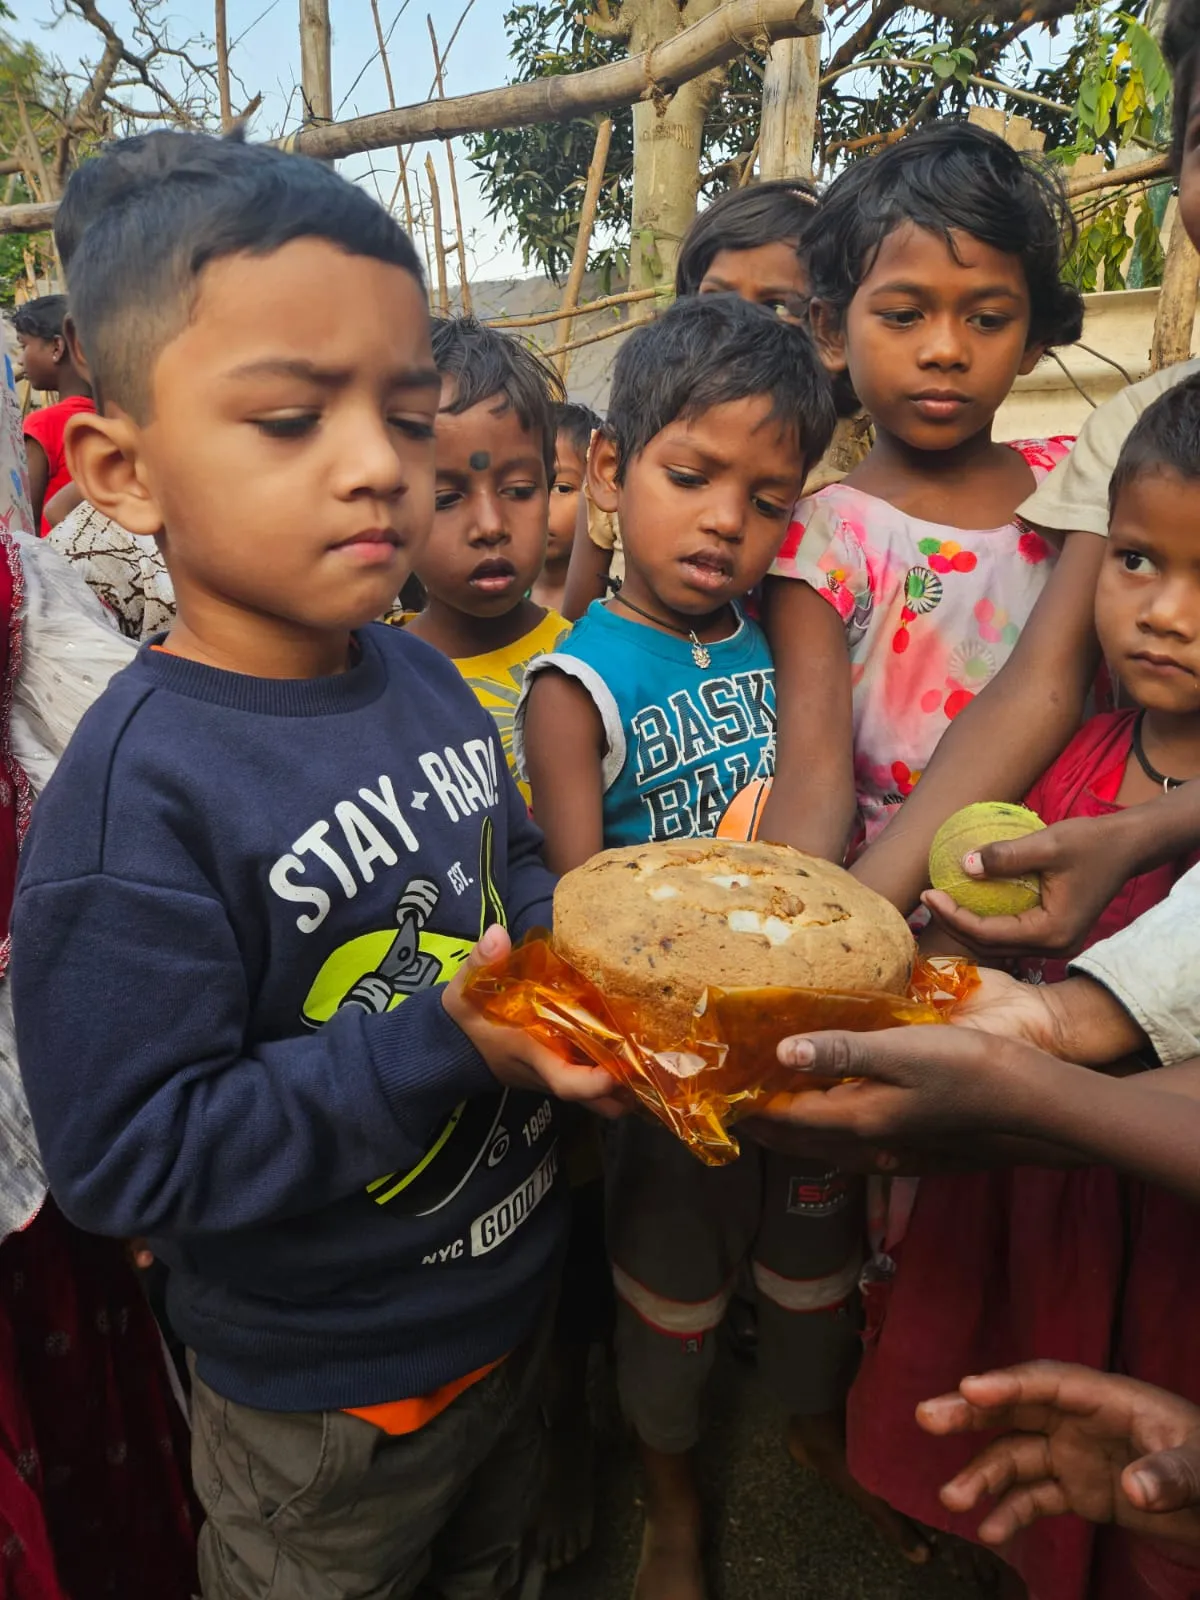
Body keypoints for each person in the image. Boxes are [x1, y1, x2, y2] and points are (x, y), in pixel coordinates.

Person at [11, 131, 622, 1600]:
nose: (375, 468)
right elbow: (127, 1157)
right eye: (290, 419)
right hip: (326, 1412)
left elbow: (511, 857)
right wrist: (449, 1042)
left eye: (404, 419)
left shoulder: (419, 676)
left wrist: (576, 964)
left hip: (509, 1306)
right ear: (122, 471)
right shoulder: (138, 803)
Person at [519, 292, 886, 1600]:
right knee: (669, 1293)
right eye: (691, 478)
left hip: (799, 1038)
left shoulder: (781, 634)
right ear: (609, 471)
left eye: (767, 499)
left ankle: (812, 1423)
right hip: (672, 1075)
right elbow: (582, 913)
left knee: (814, 1261)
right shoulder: (574, 688)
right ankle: (670, 1495)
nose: (728, 520)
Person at [847, 0, 1200, 918]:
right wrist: (858, 922)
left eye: (987, 317)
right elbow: (1041, 684)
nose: (944, 349)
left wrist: (1151, 830)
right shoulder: (1139, 427)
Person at [759, 120, 1084, 864]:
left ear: (1033, 338)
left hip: (1093, 894)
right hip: (898, 905)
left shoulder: (1076, 486)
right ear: (831, 332)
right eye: (904, 316)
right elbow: (813, 784)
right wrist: (801, 917)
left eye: (987, 319)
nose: (944, 349)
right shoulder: (819, 543)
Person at [561, 180, 823, 623]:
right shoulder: (637, 454)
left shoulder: (833, 488)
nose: (742, 324)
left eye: (776, 307)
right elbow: (577, 621)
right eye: (718, 299)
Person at [401, 315, 570, 803]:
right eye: (445, 499)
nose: (491, 525)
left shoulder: (585, 657)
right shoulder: (390, 688)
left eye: (518, 490)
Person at [13, 296, 94, 535]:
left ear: (57, 348)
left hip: (52, 555)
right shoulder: (115, 419)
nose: (20, 360)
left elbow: (24, 523)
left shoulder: (43, 425)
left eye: (23, 346)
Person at [534, 400, 599, 616]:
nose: (540, 506)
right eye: (522, 489)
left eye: (562, 489)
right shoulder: (500, 595)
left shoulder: (606, 602)